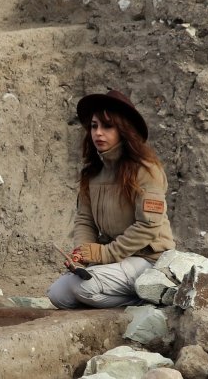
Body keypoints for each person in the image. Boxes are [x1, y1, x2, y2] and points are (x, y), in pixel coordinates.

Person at [47, 90, 174, 309]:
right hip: (114, 261)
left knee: (83, 288)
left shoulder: (147, 171)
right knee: (57, 295)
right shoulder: (92, 174)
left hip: (149, 260)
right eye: (94, 126)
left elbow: (147, 227)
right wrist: (81, 254)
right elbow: (84, 220)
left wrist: (104, 254)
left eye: (107, 126)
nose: (98, 133)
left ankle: (150, 296)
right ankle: (131, 298)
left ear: (124, 130)